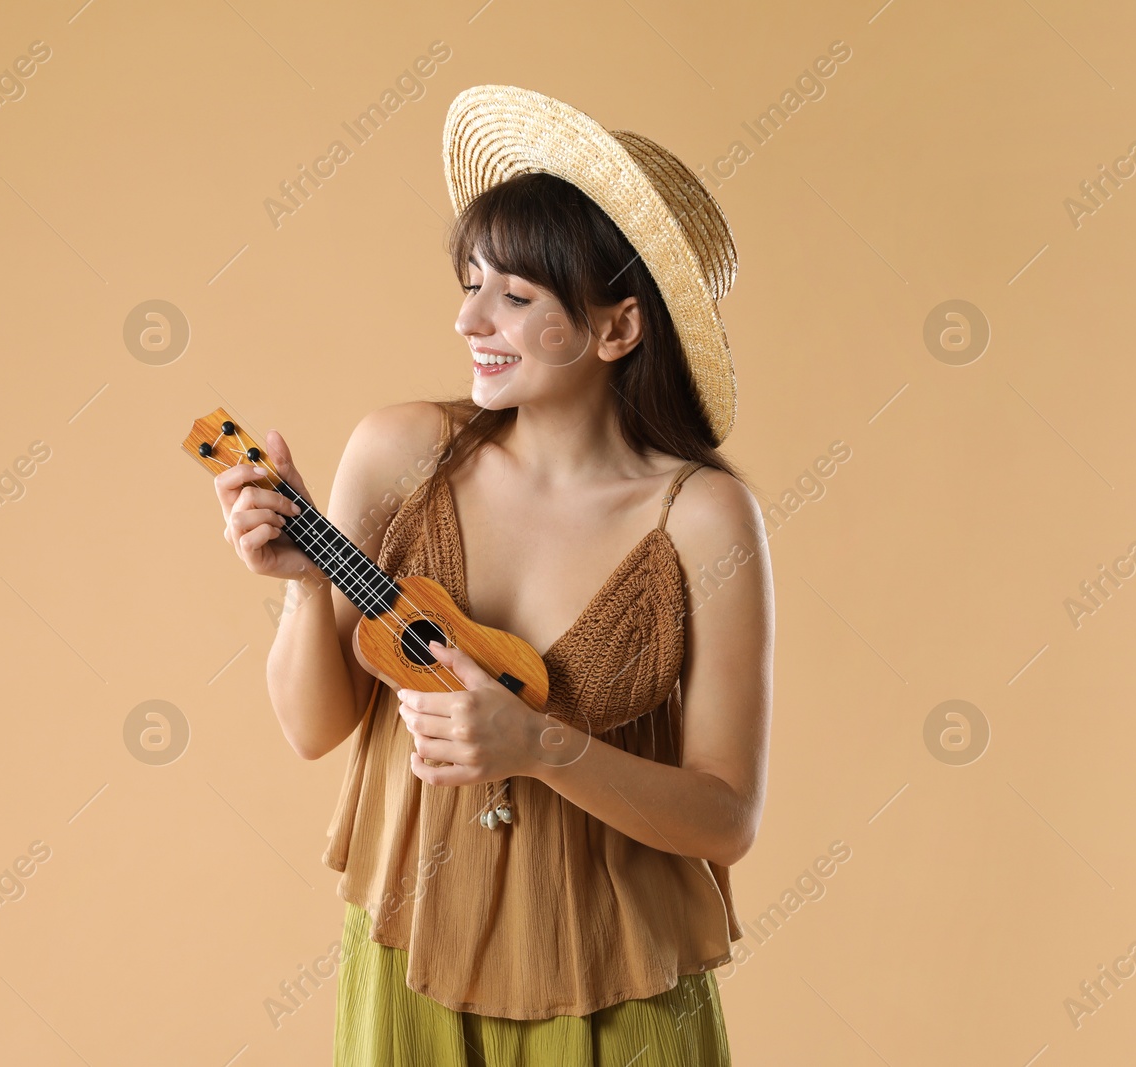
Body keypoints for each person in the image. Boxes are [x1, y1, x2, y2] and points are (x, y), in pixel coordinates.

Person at [212, 84, 773, 1066]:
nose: (470, 316)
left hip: (623, 973)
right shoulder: (399, 453)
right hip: (413, 948)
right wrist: (305, 585)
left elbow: (725, 817)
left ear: (617, 328)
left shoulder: (701, 517)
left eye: (514, 295)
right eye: (470, 280)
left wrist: (541, 746)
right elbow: (312, 728)